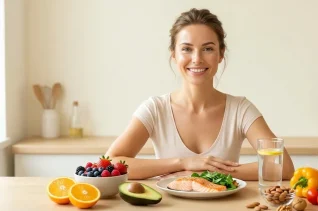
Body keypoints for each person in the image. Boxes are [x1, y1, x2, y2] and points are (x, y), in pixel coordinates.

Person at [105, 8, 295, 181]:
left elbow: (283, 167)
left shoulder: (240, 109)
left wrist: (212, 170)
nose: (197, 59)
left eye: (208, 49)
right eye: (187, 49)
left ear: (221, 54)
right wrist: (183, 163)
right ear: (174, 54)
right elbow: (111, 162)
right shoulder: (155, 109)